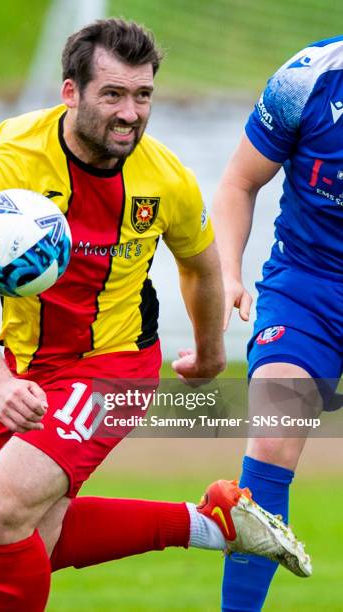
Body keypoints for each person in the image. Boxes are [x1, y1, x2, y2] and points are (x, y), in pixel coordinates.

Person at [0, 19, 310, 611]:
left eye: (143, 96)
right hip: (28, 365)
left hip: (113, 367)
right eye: (112, 94)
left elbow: (200, 266)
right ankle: (213, 525)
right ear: (71, 92)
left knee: (3, 506)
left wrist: (212, 351)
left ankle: (213, 524)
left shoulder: (165, 179)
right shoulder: (10, 154)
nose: (130, 113)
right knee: (29, 536)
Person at [212, 35, 343, 611]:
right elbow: (239, 183)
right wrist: (226, 273)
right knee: (271, 430)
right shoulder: (304, 80)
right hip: (308, 288)